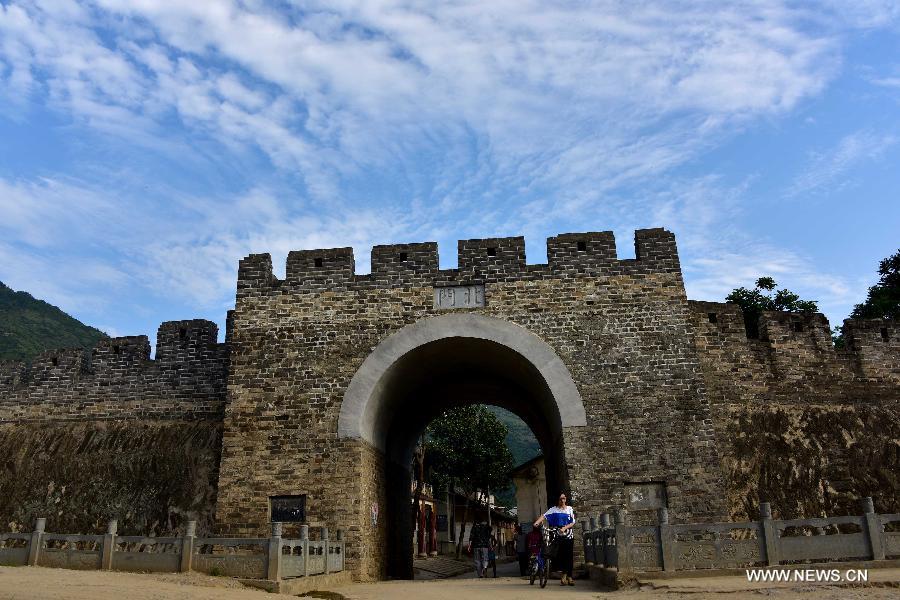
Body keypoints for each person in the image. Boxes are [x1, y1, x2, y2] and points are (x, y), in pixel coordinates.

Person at [533, 491, 576, 586]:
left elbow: (572, 522)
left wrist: (564, 528)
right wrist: (537, 522)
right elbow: (544, 516)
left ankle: (567, 576)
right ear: (558, 500)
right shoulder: (553, 510)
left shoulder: (569, 509)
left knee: (568, 556)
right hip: (557, 535)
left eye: (564, 498)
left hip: (568, 534)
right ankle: (567, 576)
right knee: (560, 555)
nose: (562, 500)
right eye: (560, 499)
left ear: (566, 499)